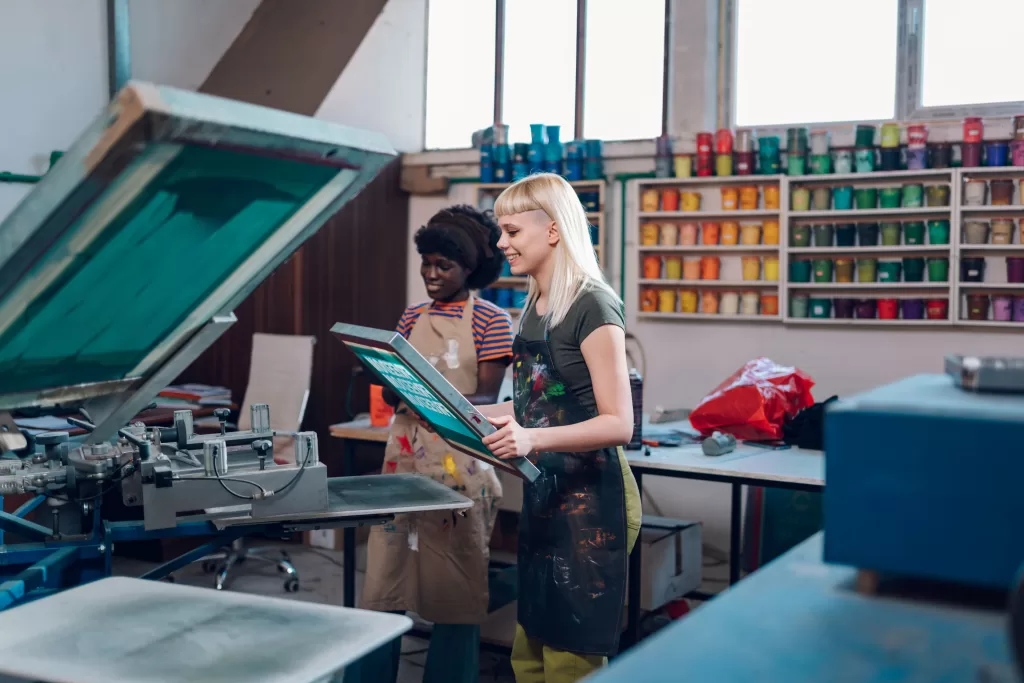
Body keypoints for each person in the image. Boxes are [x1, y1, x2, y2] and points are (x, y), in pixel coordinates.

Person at [477, 173, 642, 683]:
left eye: (511, 231)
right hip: (547, 494)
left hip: (595, 502)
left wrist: (530, 439)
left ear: (552, 231)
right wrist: (471, 414)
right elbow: (538, 403)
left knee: (571, 655)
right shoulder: (533, 306)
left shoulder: (593, 304)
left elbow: (620, 423)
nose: (501, 243)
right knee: (530, 647)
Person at [350, 205, 513, 683]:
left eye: (445, 266)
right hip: (404, 455)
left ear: (471, 269)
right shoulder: (411, 316)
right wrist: (387, 381)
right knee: (384, 575)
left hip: (459, 459)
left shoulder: (491, 319)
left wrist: (427, 395)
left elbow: (485, 395)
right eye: (427, 263)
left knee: (455, 586)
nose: (432, 274)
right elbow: (390, 380)